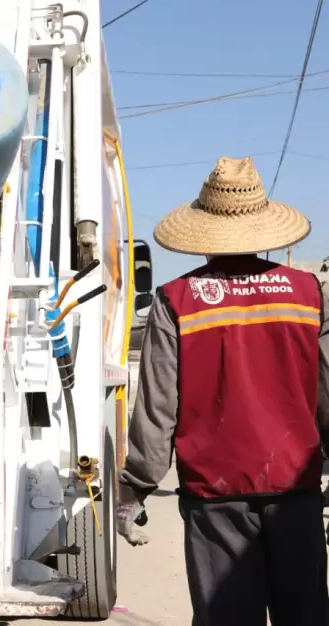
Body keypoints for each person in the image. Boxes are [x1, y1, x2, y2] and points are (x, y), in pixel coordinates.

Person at [116, 156, 329, 626]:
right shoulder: (308, 293)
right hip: (296, 488)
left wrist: (134, 487)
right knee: (308, 614)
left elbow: (157, 409)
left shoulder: (177, 300)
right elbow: (326, 390)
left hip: (215, 496)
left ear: (204, 233)